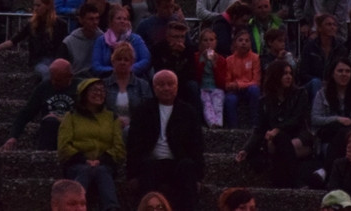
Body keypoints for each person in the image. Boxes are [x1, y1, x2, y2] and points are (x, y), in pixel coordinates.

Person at [126, 70, 205, 211]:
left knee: (187, 167)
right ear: (154, 87)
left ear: (177, 86)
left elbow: (197, 146)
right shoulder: (143, 110)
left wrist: (198, 178)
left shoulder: (188, 112)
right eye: (161, 85)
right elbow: (133, 144)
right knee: (146, 166)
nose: (166, 88)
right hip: (152, 162)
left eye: (170, 84)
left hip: (178, 162)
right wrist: (132, 175)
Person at [236, 60, 312, 188]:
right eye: (284, 74)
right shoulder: (265, 101)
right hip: (274, 139)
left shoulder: (300, 94)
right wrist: (246, 149)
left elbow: (297, 119)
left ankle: (284, 183)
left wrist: (277, 129)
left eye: (290, 73)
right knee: (278, 140)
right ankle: (291, 183)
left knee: (280, 140)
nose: (288, 77)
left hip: (298, 136)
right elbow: (259, 129)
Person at [57, 78, 125, 211]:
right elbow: (64, 146)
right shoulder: (71, 117)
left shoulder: (112, 117)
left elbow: (119, 147)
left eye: (102, 90)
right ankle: (73, 205)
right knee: (85, 170)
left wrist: (101, 160)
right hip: (77, 164)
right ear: (84, 93)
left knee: (101, 171)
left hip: (104, 164)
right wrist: (84, 160)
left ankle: (112, 208)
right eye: (94, 90)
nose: (99, 93)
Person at [0, 0, 68, 82]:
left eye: (38, 5)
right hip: (38, 60)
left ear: (47, 6)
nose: (35, 8)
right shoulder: (32, 24)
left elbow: (65, 44)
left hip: (55, 59)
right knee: (46, 72)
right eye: (34, 5)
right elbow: (14, 40)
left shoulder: (60, 24)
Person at [3, 58, 78, 151]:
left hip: (74, 130)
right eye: (52, 78)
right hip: (49, 129)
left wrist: (61, 118)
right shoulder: (44, 87)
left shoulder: (79, 87)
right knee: (50, 122)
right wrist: (13, 136)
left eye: (58, 80)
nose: (54, 82)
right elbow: (26, 113)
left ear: (69, 76)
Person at [311, 58, 351, 173]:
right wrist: (338, 119)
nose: (344, 74)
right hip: (328, 136)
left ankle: (325, 172)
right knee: (343, 132)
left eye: (348, 71)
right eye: (340, 71)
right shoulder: (322, 94)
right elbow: (315, 119)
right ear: (333, 74)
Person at [92, 5, 151, 77]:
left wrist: (128, 69)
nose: (122, 21)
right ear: (111, 22)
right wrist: (115, 71)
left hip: (133, 77)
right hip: (107, 79)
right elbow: (96, 65)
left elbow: (146, 60)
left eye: (125, 19)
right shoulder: (101, 41)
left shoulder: (136, 39)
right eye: (119, 18)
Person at [300, 13, 348, 100]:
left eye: (334, 25)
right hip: (312, 84)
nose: (332, 27)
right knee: (316, 83)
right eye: (328, 24)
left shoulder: (341, 49)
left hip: (334, 83)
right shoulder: (310, 47)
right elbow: (303, 73)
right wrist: (321, 82)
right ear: (320, 28)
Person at [224, 29, 262, 129]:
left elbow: (256, 81)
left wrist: (239, 84)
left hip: (248, 89)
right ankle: (234, 129)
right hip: (235, 91)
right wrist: (237, 85)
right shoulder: (229, 60)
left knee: (254, 90)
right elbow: (227, 83)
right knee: (230, 99)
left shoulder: (255, 58)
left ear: (250, 43)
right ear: (235, 43)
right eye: (240, 40)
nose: (243, 43)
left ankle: (255, 125)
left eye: (246, 40)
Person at [62, 3, 104, 77]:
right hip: (76, 78)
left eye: (97, 18)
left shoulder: (103, 39)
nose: (95, 22)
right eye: (91, 19)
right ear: (81, 20)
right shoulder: (69, 42)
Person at [196, 27, 227, 127]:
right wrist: (203, 61)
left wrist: (214, 65)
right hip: (203, 87)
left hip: (216, 87)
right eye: (205, 40)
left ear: (216, 42)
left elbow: (221, 81)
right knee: (206, 103)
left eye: (211, 40)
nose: (208, 43)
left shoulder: (221, 59)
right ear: (200, 43)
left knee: (217, 104)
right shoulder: (196, 57)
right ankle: (212, 124)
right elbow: (196, 76)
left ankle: (219, 124)